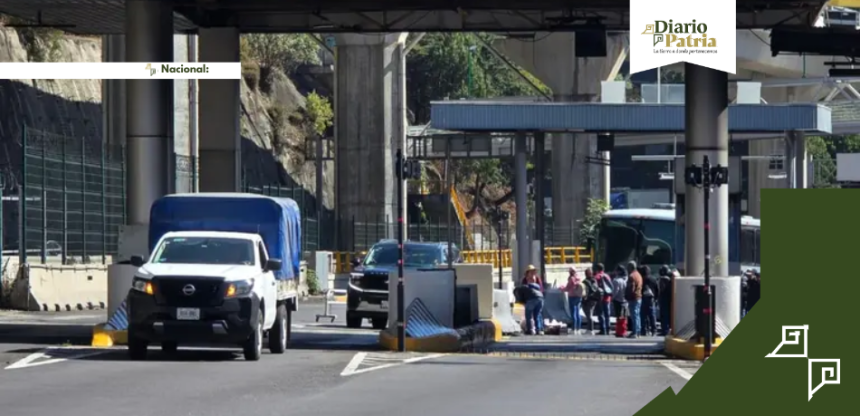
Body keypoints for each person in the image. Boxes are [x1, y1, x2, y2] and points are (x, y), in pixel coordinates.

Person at [519, 267, 545, 335]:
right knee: (537, 315)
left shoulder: (527, 280)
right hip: (540, 298)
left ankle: (530, 330)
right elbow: (541, 288)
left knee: (529, 315)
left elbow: (522, 290)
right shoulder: (536, 279)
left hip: (531, 299)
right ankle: (539, 330)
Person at [625, 261, 643, 339]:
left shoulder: (631, 276)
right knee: (637, 315)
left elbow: (631, 288)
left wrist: (627, 295)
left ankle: (635, 332)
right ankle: (637, 331)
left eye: (628, 267)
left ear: (631, 267)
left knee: (634, 315)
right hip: (639, 297)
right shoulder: (639, 275)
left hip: (633, 298)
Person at [563, 268, 584, 334]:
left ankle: (573, 329)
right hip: (579, 296)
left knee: (573, 313)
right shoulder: (578, 278)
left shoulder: (571, 278)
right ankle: (578, 329)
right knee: (578, 312)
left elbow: (567, 288)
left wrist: (561, 288)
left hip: (572, 296)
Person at [594, 263, 613, 335]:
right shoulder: (607, 276)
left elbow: (595, 288)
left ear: (597, 269)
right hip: (608, 297)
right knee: (607, 314)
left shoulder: (597, 277)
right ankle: (608, 328)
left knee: (600, 314)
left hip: (600, 298)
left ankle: (603, 329)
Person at [640, 265, 659, 337]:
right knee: (652, 315)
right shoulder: (653, 279)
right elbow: (657, 289)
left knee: (643, 315)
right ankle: (654, 330)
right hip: (651, 299)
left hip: (643, 298)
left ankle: (644, 330)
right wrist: (656, 298)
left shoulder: (642, 279)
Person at [612, 265, 629, 337]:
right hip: (625, 300)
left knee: (619, 317)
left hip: (618, 300)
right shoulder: (625, 280)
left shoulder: (616, 280)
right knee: (624, 317)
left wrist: (612, 297)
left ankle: (619, 331)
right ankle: (624, 330)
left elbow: (615, 291)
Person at [582, 269, 601, 335]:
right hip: (594, 299)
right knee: (590, 314)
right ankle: (589, 329)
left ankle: (590, 329)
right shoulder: (594, 280)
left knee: (588, 315)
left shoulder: (585, 282)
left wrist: (584, 299)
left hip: (588, 299)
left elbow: (585, 291)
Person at [657, 265, 674, 336]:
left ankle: (665, 329)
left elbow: (662, 290)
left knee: (664, 315)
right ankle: (666, 329)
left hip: (664, 299)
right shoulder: (670, 278)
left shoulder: (664, 279)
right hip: (669, 299)